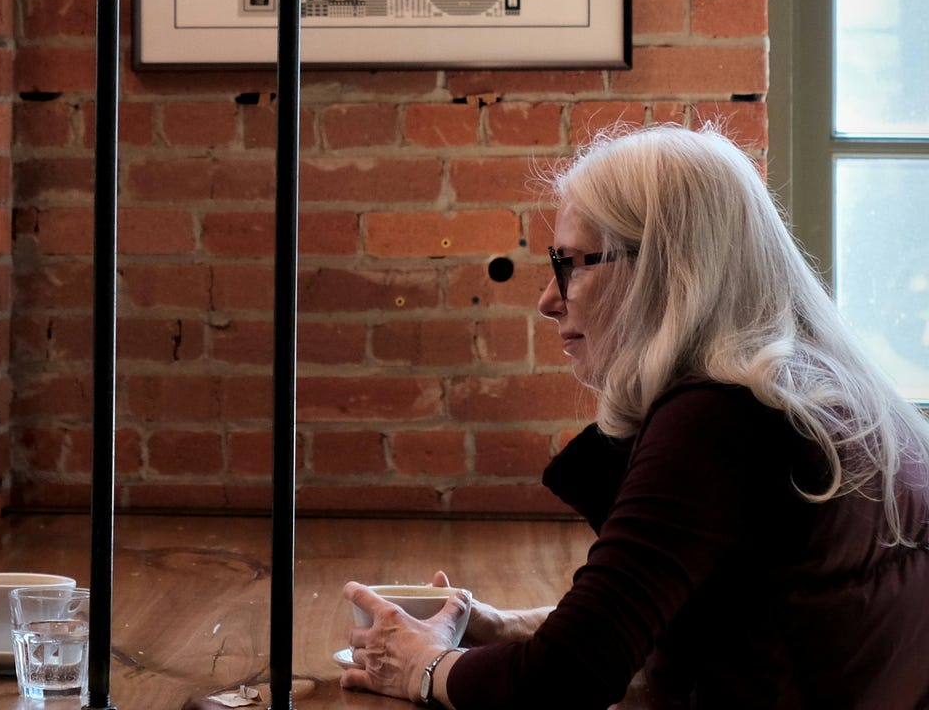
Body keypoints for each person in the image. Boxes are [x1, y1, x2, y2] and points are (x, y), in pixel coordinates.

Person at [341, 123, 929, 709]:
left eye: (573, 262)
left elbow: (564, 680)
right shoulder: (813, 390)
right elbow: (704, 608)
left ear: (664, 269)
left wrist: (422, 665)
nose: (549, 299)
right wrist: (501, 625)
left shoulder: (717, 418)